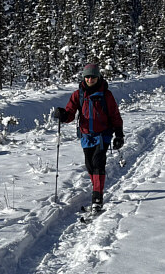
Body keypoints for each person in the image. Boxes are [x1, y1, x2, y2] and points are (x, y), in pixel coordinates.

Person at [52, 63, 124, 210]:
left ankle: (97, 197)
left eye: (93, 77)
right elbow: (70, 113)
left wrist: (119, 135)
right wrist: (63, 115)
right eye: (87, 77)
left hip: (103, 135)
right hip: (86, 135)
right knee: (90, 166)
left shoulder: (106, 95)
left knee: (98, 163)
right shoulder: (78, 94)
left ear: (98, 77)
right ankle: (96, 187)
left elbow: (115, 116)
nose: (90, 79)